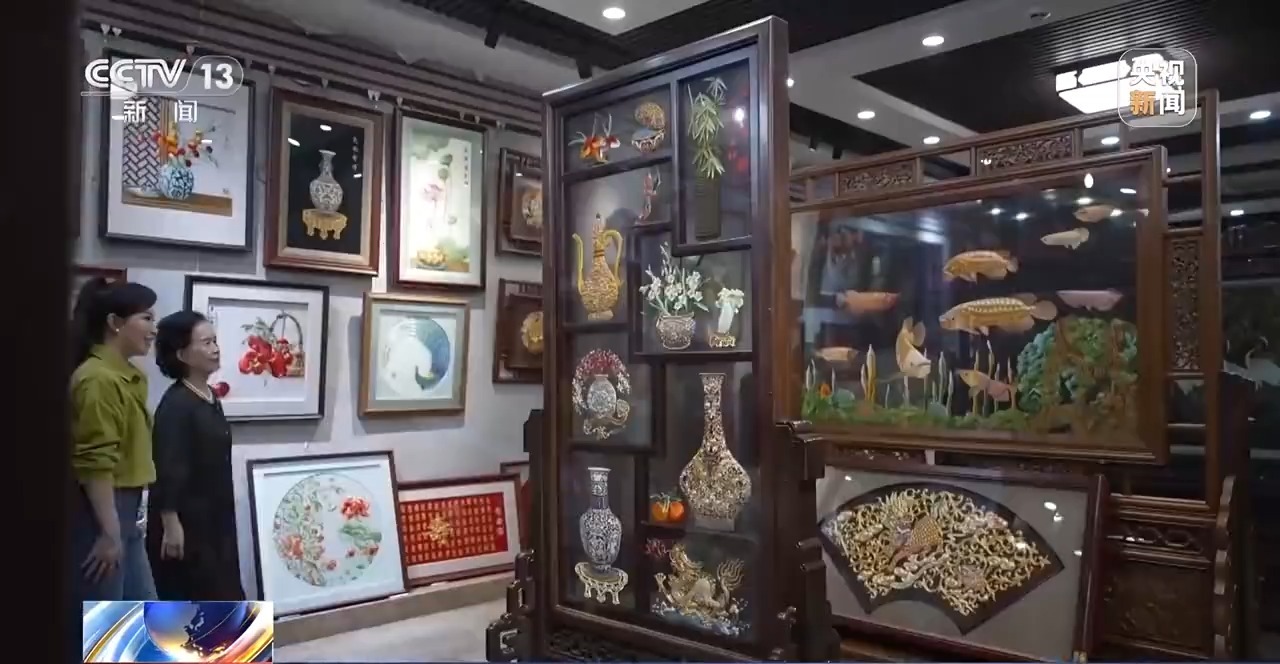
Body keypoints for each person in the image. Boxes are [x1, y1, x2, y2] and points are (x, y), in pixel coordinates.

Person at [70, 277, 159, 601]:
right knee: (107, 619)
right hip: (101, 511)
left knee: (146, 615)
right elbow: (95, 463)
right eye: (146, 318)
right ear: (114, 323)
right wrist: (109, 532)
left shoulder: (128, 377)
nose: (153, 330)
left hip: (126, 511)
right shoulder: (97, 379)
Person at [147, 310, 245, 600]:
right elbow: (167, 466)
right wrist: (170, 522)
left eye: (215, 341)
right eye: (206, 343)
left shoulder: (210, 396)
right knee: (193, 603)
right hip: (186, 522)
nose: (215, 349)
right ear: (182, 354)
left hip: (215, 517)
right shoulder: (176, 404)